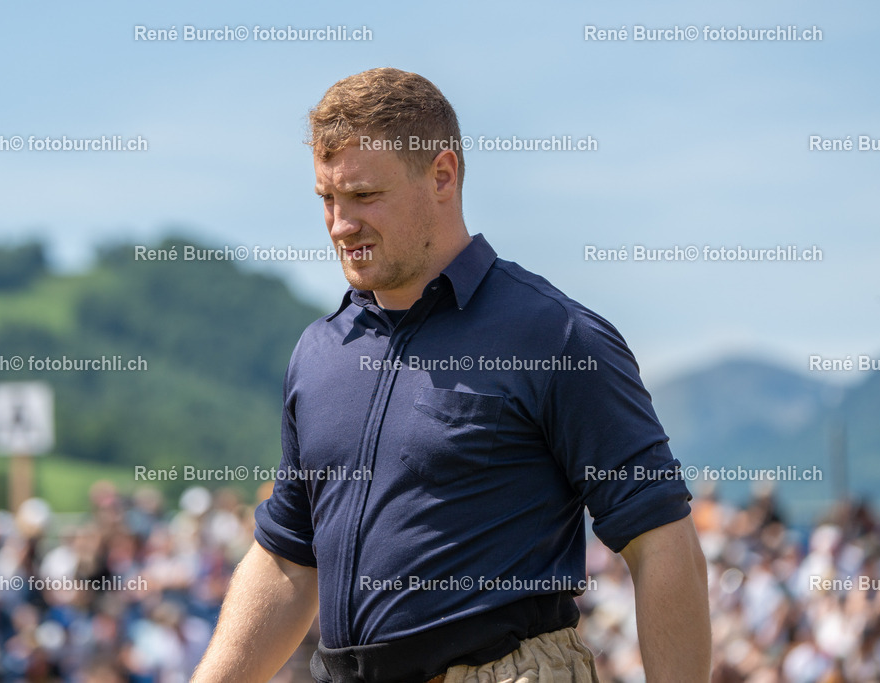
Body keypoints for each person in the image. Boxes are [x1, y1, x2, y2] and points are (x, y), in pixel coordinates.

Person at [193, 67, 711, 683]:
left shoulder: (553, 335)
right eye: (328, 198)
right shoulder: (318, 353)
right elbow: (289, 561)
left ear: (443, 175)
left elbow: (661, 543)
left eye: (363, 196)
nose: (340, 223)